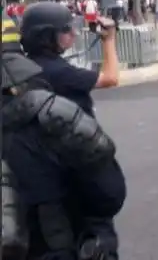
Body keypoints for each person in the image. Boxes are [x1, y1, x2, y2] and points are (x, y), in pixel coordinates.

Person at [2, 15, 124, 260]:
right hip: (58, 240)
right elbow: (110, 194)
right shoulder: (54, 114)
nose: (73, 34)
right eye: (67, 30)